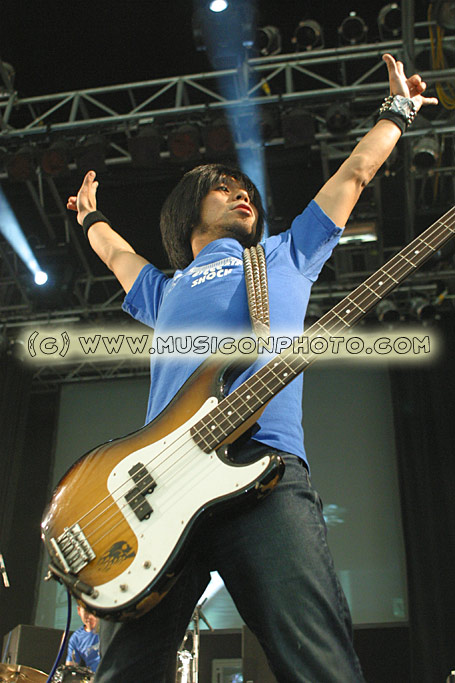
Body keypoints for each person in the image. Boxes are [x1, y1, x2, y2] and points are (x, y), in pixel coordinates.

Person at [67, 54, 437, 683]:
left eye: (247, 191)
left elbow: (354, 173)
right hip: (161, 487)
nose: (243, 194)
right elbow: (117, 255)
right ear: (188, 211)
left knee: (319, 663)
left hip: (266, 476)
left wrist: (396, 111)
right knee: (124, 671)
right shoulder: (165, 288)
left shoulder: (285, 254)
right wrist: (90, 217)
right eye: (224, 187)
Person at [65, 605, 101, 673]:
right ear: (79, 610)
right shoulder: (76, 638)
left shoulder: (110, 629)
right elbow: (70, 668)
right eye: (86, 611)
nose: (90, 617)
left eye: (94, 612)